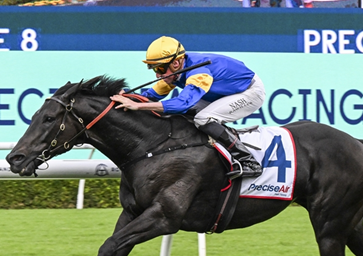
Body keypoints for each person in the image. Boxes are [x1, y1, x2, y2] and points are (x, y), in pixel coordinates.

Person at [110, 36, 265, 179]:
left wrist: (138, 106)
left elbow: (182, 103)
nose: (157, 75)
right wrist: (128, 96)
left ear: (176, 63)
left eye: (160, 69)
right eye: (154, 69)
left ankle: (248, 160)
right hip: (225, 92)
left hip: (249, 92)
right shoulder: (176, 71)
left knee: (203, 118)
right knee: (186, 114)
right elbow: (150, 96)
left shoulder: (199, 73)